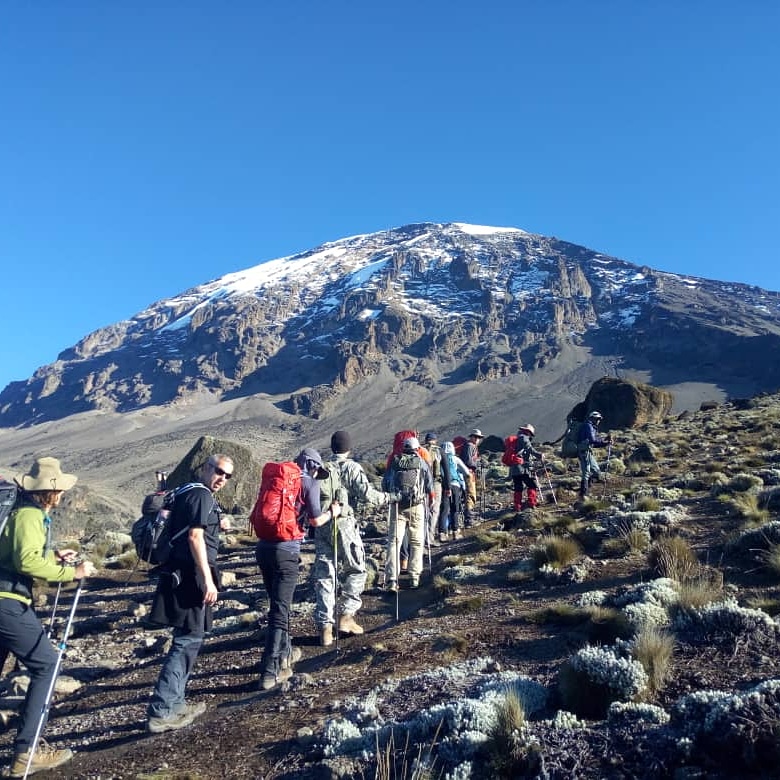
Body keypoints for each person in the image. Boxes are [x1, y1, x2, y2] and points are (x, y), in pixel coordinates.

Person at [0, 457, 96, 777]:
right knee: (48, 664)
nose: (63, 495)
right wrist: (70, 572)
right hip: (8, 604)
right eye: (60, 490)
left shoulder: (21, 514)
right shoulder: (28, 516)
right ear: (51, 492)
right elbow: (26, 563)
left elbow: (16, 557)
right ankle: (26, 752)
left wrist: (53, 558)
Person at [146, 453, 233, 731]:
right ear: (206, 468)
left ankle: (177, 703)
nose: (222, 479)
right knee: (187, 640)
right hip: (191, 574)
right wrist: (208, 581)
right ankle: (162, 709)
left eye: (228, 476)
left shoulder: (186, 491)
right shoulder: (201, 496)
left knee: (188, 637)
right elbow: (195, 537)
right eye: (219, 471)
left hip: (179, 571)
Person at [255, 448, 339, 688]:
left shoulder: (277, 480)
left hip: (263, 548)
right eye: (316, 468)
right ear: (311, 464)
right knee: (280, 612)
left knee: (278, 605)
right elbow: (315, 520)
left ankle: (285, 656)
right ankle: (269, 673)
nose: (316, 473)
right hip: (286, 551)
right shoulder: (308, 483)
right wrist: (333, 513)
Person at [313, 431, 397, 646]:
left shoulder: (322, 468)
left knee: (325, 574)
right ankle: (346, 617)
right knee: (357, 569)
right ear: (348, 448)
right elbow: (369, 495)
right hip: (344, 524)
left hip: (322, 525)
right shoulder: (351, 467)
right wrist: (391, 497)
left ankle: (325, 628)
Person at [382, 437, 434, 591]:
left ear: (403, 448)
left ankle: (391, 579)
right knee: (417, 542)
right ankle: (414, 576)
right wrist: (430, 500)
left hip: (396, 505)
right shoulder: (421, 462)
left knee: (394, 542)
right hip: (416, 505)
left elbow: (385, 483)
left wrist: (390, 497)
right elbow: (429, 484)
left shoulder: (395, 462)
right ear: (417, 449)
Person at [509, 424, 545, 511]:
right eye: (531, 434)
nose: (530, 436)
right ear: (528, 432)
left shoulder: (517, 438)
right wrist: (539, 455)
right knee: (532, 485)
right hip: (522, 468)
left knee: (518, 487)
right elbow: (529, 448)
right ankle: (532, 503)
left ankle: (517, 506)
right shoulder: (523, 438)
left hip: (514, 467)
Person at [577, 411, 612, 499]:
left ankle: (586, 489)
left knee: (596, 470)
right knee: (586, 472)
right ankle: (583, 493)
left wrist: (604, 442)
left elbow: (594, 442)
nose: (599, 421)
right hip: (584, 452)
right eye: (597, 419)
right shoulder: (588, 426)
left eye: (599, 419)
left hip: (587, 451)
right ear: (593, 418)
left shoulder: (591, 426)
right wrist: (605, 442)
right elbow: (593, 440)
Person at [439, 441, 469, 540]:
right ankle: (455, 531)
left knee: (444, 509)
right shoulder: (455, 459)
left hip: (443, 485)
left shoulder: (439, 458)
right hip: (455, 485)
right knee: (455, 508)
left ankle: (442, 533)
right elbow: (466, 471)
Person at [460, 429, 484, 527]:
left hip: (469, 473)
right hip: (468, 473)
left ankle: (469, 515)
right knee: (470, 494)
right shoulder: (470, 446)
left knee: (470, 494)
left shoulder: (470, 446)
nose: (478, 439)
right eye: (477, 437)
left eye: (479, 438)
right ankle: (468, 519)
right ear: (472, 437)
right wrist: (476, 464)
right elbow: (468, 461)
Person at [422, 433, 443, 547]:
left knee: (424, 510)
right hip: (435, 483)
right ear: (435, 440)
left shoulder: (420, 451)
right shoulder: (437, 451)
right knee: (434, 510)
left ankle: (421, 537)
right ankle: (429, 538)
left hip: (421, 484)